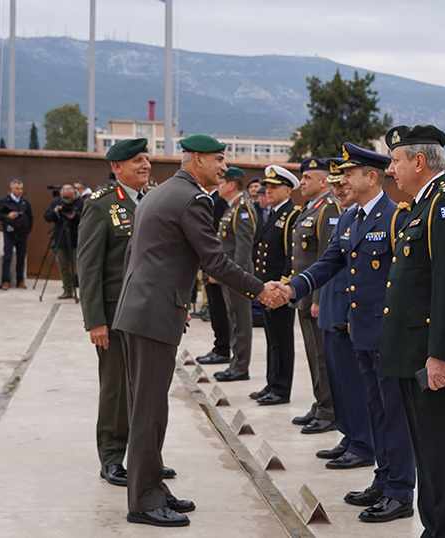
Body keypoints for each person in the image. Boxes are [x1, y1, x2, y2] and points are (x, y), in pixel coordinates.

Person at [112, 134, 287, 528]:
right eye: (217, 160)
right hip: (153, 315)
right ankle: (144, 500)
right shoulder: (193, 199)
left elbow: (141, 256)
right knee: (149, 412)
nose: (223, 167)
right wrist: (262, 289)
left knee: (148, 406)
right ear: (195, 160)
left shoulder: (160, 193)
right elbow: (216, 261)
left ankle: (152, 487)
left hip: (143, 310)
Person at [279, 143, 416, 523]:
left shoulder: (395, 218)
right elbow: (328, 263)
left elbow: (409, 280)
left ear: (372, 178)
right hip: (362, 334)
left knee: (394, 414)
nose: (342, 181)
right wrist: (293, 288)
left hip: (389, 335)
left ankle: (400, 491)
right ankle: (383, 479)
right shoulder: (351, 219)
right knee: (375, 409)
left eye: (349, 174)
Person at [379, 124, 445, 538]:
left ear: (419, 162)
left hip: (429, 357)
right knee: (425, 452)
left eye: (395, 160)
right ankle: (434, 528)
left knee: (439, 453)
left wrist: (440, 355)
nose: (390, 169)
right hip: (412, 352)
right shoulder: (423, 204)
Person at [77, 138, 176, 488]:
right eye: (136, 160)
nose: (145, 165)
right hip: (114, 317)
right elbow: (88, 267)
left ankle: (143, 458)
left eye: (147, 159)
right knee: (117, 390)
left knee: (146, 390)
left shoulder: (152, 201)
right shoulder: (101, 205)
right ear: (117, 168)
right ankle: (113, 457)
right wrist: (95, 321)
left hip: (148, 314)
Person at [314, 159, 376, 471]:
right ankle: (350, 435)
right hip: (331, 305)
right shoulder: (348, 215)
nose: (339, 189)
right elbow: (328, 260)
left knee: (354, 382)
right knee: (338, 379)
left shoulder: (383, 216)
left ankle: (363, 442)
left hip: (349, 309)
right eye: (336, 184)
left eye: (344, 181)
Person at [288, 157, 341, 434]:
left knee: (322, 355)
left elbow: (325, 258)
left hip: (315, 298)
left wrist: (319, 300)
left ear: (324, 181)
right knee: (312, 354)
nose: (302, 182)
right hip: (304, 296)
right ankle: (320, 402)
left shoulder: (328, 210)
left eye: (307, 177)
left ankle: (329, 409)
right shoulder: (309, 209)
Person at [249, 164, 301, 406]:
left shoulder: (291, 215)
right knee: (271, 339)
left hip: (279, 289)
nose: (267, 190)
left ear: (288, 190)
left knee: (282, 339)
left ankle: (281, 388)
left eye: (274, 187)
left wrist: (283, 288)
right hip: (266, 288)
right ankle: (271, 382)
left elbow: (291, 256)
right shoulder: (269, 214)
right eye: (266, 186)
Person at [212, 167, 258, 382]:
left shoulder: (242, 209)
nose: (218, 186)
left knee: (241, 320)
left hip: (237, 276)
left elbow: (242, 250)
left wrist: (236, 277)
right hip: (229, 275)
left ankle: (241, 366)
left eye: (221, 182)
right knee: (234, 319)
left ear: (232, 185)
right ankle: (235, 362)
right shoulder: (232, 208)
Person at [195, 178, 232, 365]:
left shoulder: (217, 203)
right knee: (215, 308)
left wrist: (212, 268)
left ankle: (223, 348)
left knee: (219, 308)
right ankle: (219, 345)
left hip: (214, 265)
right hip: (207, 264)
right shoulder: (210, 200)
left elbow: (214, 238)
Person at [44, 184, 83, 299]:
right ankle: (67, 290)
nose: (67, 200)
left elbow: (86, 218)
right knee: (63, 266)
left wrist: (74, 216)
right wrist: (55, 212)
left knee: (80, 266)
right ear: (61, 195)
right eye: (65, 197)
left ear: (74, 194)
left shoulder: (81, 202)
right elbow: (47, 217)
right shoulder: (56, 202)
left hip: (77, 239)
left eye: (70, 197)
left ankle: (83, 292)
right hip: (61, 238)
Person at [0, 179, 34, 289]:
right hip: (10, 232)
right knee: (8, 256)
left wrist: (28, 229)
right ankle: (6, 280)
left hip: (22, 233)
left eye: (21, 189)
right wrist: (7, 216)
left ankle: (20, 280)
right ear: (12, 189)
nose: (20, 191)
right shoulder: (4, 201)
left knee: (21, 257)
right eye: (17, 189)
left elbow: (30, 216)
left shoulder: (25, 202)